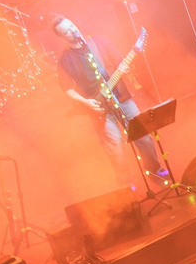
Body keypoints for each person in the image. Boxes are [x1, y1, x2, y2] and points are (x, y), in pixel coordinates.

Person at [55, 16, 164, 185]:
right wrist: (86, 102)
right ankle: (127, 186)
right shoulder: (65, 60)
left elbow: (121, 62)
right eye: (66, 31)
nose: (72, 30)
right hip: (98, 107)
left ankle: (154, 170)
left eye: (72, 25)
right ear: (62, 37)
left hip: (122, 98)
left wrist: (126, 68)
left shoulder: (100, 42)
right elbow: (66, 88)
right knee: (115, 149)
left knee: (143, 136)